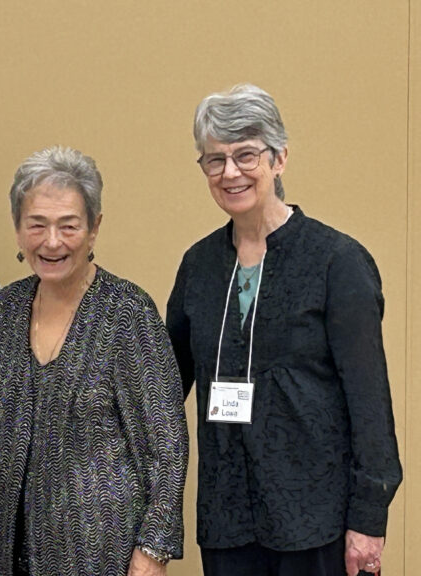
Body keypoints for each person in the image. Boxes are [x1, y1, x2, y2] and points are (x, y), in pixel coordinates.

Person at [166, 84, 403, 576]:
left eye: (246, 155)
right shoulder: (200, 265)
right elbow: (164, 387)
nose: (230, 172)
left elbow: (370, 403)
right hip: (227, 517)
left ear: (280, 159)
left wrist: (369, 518)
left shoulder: (337, 262)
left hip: (317, 520)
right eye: (214, 160)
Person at [0, 146, 188, 576]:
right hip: (10, 549)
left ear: (94, 229)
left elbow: (165, 447)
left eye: (68, 225)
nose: (51, 241)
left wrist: (154, 549)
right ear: (18, 229)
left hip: (103, 554)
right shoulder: (8, 307)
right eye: (36, 224)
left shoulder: (127, 311)